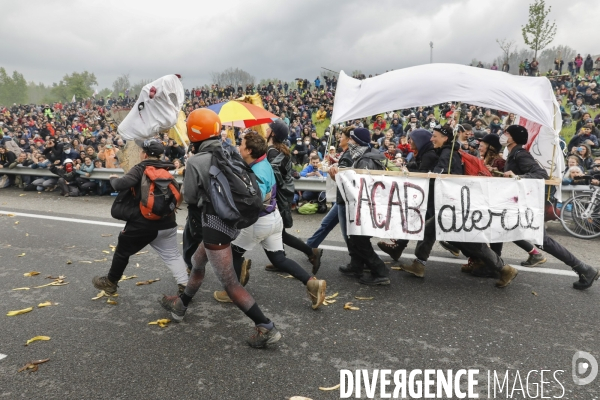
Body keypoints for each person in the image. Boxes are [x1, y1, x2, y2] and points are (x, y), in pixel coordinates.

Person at [160, 108, 281, 348]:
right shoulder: (229, 150)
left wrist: (190, 171)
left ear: (194, 133)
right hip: (233, 220)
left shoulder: (196, 161)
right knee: (197, 261)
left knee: (230, 283)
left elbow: (192, 198)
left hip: (215, 225)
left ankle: (265, 326)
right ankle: (181, 305)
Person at [396, 125, 518, 288]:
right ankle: (419, 264)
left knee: (467, 241)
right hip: (454, 204)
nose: (432, 139)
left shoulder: (447, 152)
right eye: (432, 136)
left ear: (445, 138)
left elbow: (441, 174)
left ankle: (504, 268)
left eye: (435, 136)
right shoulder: (446, 151)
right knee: (440, 233)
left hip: (454, 206)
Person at [221, 131, 327, 309]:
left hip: (258, 222)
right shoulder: (262, 162)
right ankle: (311, 282)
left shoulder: (257, 171)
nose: (238, 146)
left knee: (234, 253)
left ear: (248, 151)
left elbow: (256, 197)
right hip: (274, 218)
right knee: (278, 259)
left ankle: (233, 292)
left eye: (241, 144)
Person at [502, 125, 599, 289]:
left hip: (529, 205)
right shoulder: (513, 154)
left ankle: (584, 269)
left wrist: (518, 176)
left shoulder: (520, 154)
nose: (503, 135)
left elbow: (540, 175)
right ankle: (493, 266)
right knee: (503, 229)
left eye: (506, 133)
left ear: (513, 138)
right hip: (521, 204)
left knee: (542, 240)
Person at [92, 139, 189, 299]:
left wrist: (112, 178)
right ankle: (185, 287)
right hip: (168, 222)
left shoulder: (140, 168)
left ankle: (110, 282)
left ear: (144, 154)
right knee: (172, 255)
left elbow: (120, 184)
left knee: (122, 251)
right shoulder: (167, 169)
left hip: (143, 225)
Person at [330, 127, 391, 285]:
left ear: (356, 142)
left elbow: (359, 187)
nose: (348, 142)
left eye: (351, 139)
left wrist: (337, 177)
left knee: (359, 239)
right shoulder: (368, 155)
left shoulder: (365, 160)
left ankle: (380, 271)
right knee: (356, 238)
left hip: (363, 207)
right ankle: (357, 265)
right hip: (366, 206)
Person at [265, 119, 323, 274]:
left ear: (273, 133)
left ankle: (310, 253)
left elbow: (272, 178)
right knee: (278, 232)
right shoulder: (277, 150)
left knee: (277, 232)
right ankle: (282, 260)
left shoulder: (272, 153)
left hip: (277, 198)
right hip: (281, 197)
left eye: (268, 128)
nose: (265, 129)